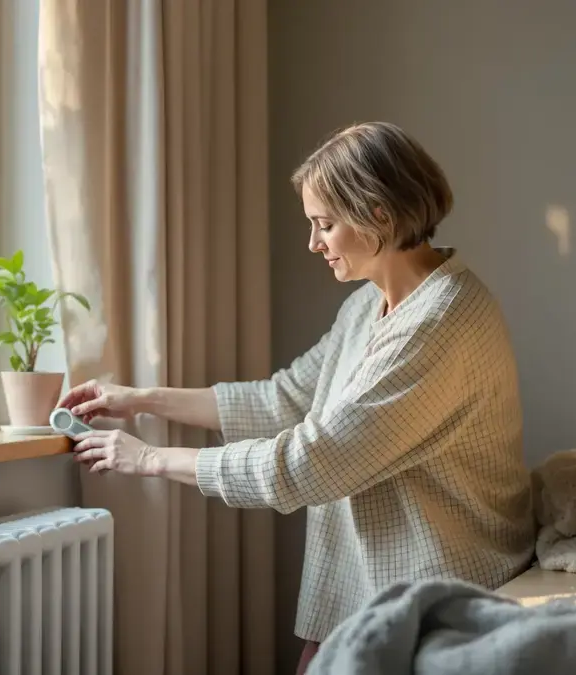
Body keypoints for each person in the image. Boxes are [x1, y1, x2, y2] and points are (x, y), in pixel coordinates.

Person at [58, 121, 536, 674]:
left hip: (443, 595)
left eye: (324, 225)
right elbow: (283, 399)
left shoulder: (443, 318)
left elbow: (311, 464)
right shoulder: (368, 306)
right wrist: (141, 399)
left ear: (377, 215)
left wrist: (148, 458)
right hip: (369, 587)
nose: (313, 244)